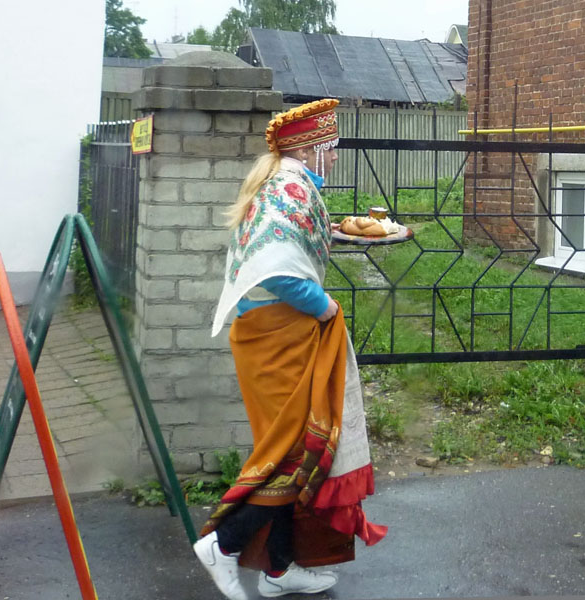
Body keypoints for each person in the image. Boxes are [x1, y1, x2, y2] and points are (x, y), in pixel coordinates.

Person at [192, 99, 386, 600]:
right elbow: (276, 270)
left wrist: (334, 234)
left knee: (285, 452)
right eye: (332, 147)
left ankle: (278, 569)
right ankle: (223, 544)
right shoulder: (287, 189)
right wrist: (324, 306)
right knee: (298, 455)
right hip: (277, 338)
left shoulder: (284, 184)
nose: (336, 157)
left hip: (272, 335)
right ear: (309, 149)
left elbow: (284, 246)